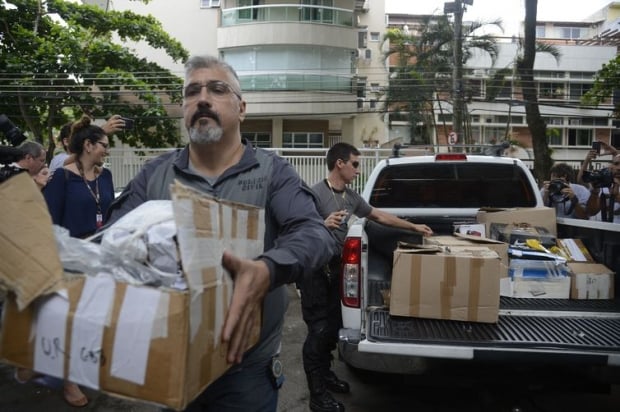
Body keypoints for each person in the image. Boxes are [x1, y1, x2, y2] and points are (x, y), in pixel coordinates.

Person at [105, 55, 336, 412]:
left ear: (241, 108)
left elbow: (313, 233)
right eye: (192, 91)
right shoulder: (154, 176)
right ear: (184, 109)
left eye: (217, 89)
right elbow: (108, 241)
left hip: (246, 372)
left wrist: (267, 269)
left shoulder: (273, 173)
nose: (202, 98)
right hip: (168, 359)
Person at [301, 142, 433, 412]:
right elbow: (293, 228)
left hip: (337, 273)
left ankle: (325, 376)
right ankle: (317, 396)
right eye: (355, 164)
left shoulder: (351, 197)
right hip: (314, 273)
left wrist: (413, 226)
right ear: (340, 163)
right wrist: (320, 224)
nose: (358, 170)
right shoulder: (313, 194)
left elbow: (379, 216)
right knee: (317, 331)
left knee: (332, 329)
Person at [43, 115, 115, 239]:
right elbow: (51, 223)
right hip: (73, 253)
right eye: (104, 145)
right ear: (88, 145)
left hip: (103, 252)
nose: (107, 151)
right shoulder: (62, 176)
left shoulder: (106, 176)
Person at [49, 115, 125, 175]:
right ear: (66, 141)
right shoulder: (58, 160)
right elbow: (69, 161)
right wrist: (100, 132)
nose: (81, 138)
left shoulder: (102, 173)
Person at [578, 141, 620, 222]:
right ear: (610, 167)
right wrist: (595, 192)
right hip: (599, 230)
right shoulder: (603, 181)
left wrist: (616, 196)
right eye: (616, 164)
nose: (619, 168)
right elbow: (591, 212)